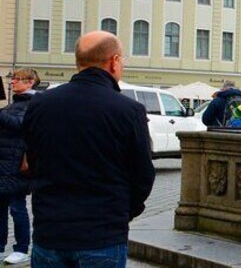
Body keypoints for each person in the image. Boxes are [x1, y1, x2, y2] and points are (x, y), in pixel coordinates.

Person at [22, 31, 155, 267]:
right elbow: (142, 175)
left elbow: (32, 161)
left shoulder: (41, 103)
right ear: (114, 61)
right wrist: (123, 213)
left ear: (79, 62)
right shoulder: (128, 110)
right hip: (102, 233)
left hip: (50, 230)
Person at [0, 69, 40, 264]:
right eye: (12, 78)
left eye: (17, 79)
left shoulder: (34, 104)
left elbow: (21, 124)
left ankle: (22, 248)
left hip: (17, 165)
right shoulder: (14, 103)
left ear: (31, 82)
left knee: (17, 208)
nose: (13, 82)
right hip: (3, 163)